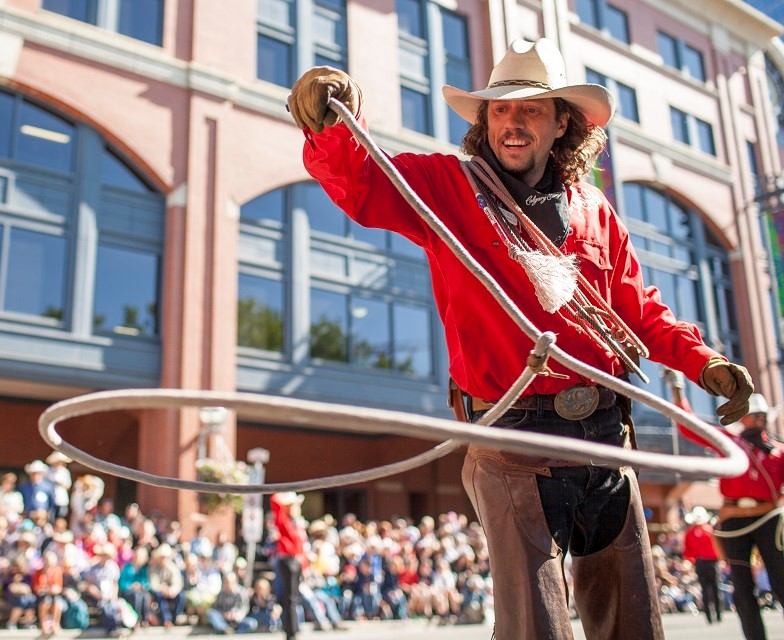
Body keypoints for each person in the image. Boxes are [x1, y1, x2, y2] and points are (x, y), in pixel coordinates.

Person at [287, 37, 753, 640]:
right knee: (535, 627)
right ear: (485, 122)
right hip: (510, 440)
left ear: (563, 122)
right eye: (500, 110)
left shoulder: (595, 210)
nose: (512, 121)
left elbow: (639, 309)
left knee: (632, 621)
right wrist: (328, 122)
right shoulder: (445, 187)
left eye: (530, 109)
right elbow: (361, 182)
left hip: (607, 436)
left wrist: (704, 361)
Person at [667, 370, 783, 640]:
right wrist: (677, 390)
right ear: (743, 417)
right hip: (735, 524)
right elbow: (689, 426)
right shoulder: (730, 444)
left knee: (781, 579)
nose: (759, 420)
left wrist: (755, 509)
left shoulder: (778, 452)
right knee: (742, 589)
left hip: (768, 519)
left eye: (763, 416)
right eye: (755, 415)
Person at [270, 492, 305, 639]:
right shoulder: (282, 519)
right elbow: (274, 501)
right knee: (288, 598)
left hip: (296, 560)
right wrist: (283, 495)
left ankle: (294, 629)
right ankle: (290, 632)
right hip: (287, 561)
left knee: (294, 598)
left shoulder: (295, 521)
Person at [682, 506, 722, 625]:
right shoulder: (710, 530)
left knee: (705, 589)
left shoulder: (690, 533)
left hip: (699, 563)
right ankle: (718, 614)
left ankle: (709, 616)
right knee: (715, 588)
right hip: (712, 562)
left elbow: (688, 552)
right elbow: (717, 547)